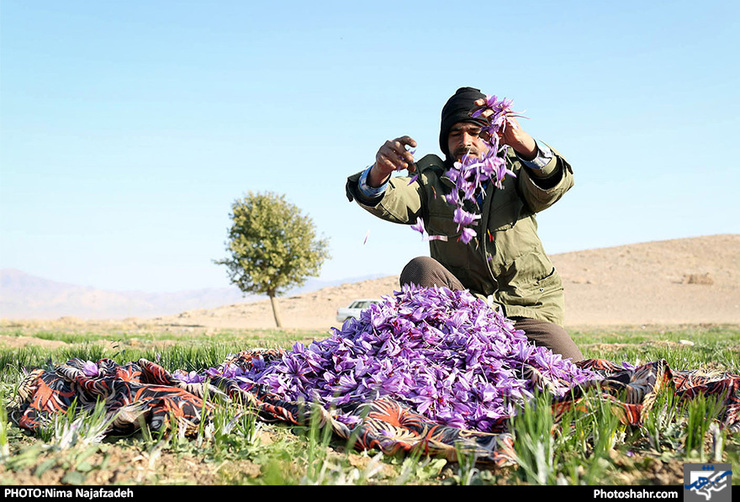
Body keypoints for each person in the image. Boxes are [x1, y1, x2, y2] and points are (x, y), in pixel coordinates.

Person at [345, 86, 583, 361]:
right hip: (461, 317)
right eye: (455, 133)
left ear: (493, 137)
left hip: (526, 309)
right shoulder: (431, 178)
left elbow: (552, 184)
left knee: (575, 377)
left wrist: (523, 144)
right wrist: (380, 171)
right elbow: (394, 197)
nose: (466, 141)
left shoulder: (516, 168)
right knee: (421, 268)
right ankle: (437, 362)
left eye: (476, 131)